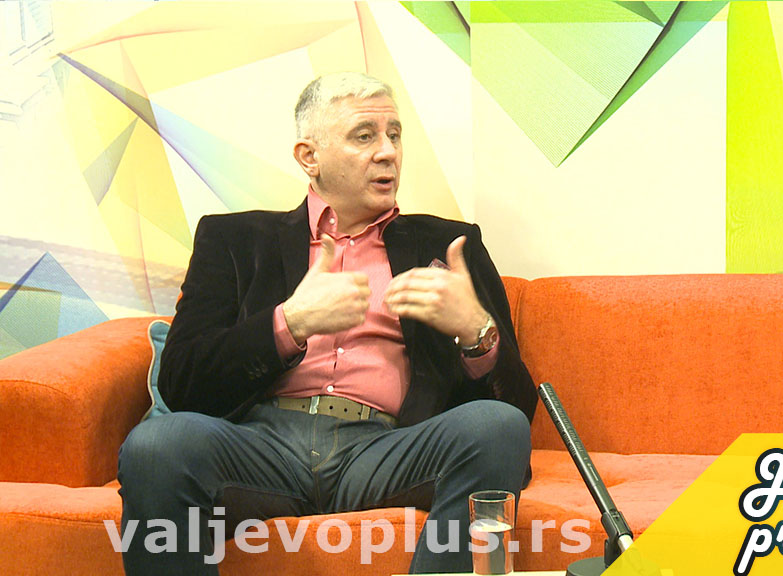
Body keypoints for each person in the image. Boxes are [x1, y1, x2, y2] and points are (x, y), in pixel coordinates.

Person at [117, 72, 536, 574]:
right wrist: (289, 324)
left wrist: (475, 333)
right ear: (309, 156)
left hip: (386, 447)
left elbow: (518, 408)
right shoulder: (234, 239)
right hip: (258, 447)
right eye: (365, 136)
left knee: (498, 428)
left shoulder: (447, 246)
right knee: (157, 445)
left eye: (395, 135)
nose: (388, 152)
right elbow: (182, 383)